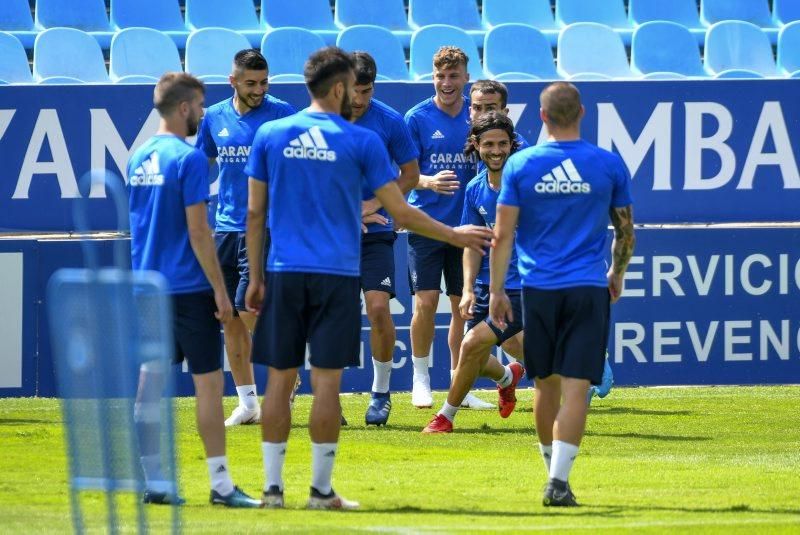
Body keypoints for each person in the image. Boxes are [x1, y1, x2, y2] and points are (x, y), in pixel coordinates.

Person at [244, 47, 493, 509]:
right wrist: (455, 235)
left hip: (282, 270)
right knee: (325, 384)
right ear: (339, 87)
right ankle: (320, 491)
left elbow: (255, 211)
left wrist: (255, 275)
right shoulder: (360, 143)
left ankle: (272, 490)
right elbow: (401, 212)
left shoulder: (271, 134)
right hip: (335, 274)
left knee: (279, 383)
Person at [490, 82, 635, 507]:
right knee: (575, 389)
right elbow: (626, 231)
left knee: (545, 387)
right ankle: (558, 480)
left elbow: (502, 236)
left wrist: (497, 290)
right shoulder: (607, 164)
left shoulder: (521, 165)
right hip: (588, 287)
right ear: (582, 113)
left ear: (542, 116)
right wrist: (617, 273)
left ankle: (552, 473)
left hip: (537, 289)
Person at [127, 72, 261, 508]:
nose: (203, 115)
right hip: (186, 288)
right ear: (184, 108)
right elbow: (199, 231)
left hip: (147, 288)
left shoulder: (138, 157)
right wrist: (221, 294)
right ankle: (221, 485)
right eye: (200, 107)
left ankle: (156, 482)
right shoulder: (187, 160)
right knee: (207, 387)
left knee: (149, 385)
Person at [195, 49, 296, 427]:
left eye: (264, 82)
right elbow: (202, 163)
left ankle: (287, 370)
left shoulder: (284, 114)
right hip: (225, 227)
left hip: (266, 227)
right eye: (251, 83)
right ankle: (248, 402)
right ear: (232, 81)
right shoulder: (214, 117)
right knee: (228, 318)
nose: (259, 90)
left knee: (246, 309)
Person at [423, 112, 525, 433]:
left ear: (512, 145)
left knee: (469, 346)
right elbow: (472, 244)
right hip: (484, 285)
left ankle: (445, 417)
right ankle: (508, 377)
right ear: (476, 145)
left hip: (519, 287)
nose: (496, 150)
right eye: (489, 144)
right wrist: (467, 288)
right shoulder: (474, 189)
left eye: (503, 144)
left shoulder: (526, 185)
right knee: (479, 356)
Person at [404, 46, 492, 410]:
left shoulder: (477, 120)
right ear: (433, 77)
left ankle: (461, 384)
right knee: (425, 303)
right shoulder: (416, 118)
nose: (447, 83)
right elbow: (400, 174)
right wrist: (426, 182)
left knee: (462, 309)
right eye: (440, 76)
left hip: (467, 229)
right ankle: (420, 379)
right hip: (426, 223)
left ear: (466, 78)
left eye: (454, 76)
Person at [349, 51, 421, 426]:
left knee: (378, 308)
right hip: (333, 233)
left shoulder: (390, 120)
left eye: (367, 90)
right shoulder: (323, 119)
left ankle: (380, 393)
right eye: (354, 90)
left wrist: (375, 205)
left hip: (376, 228)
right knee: (330, 317)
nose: (359, 99)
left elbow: (410, 174)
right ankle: (326, 394)